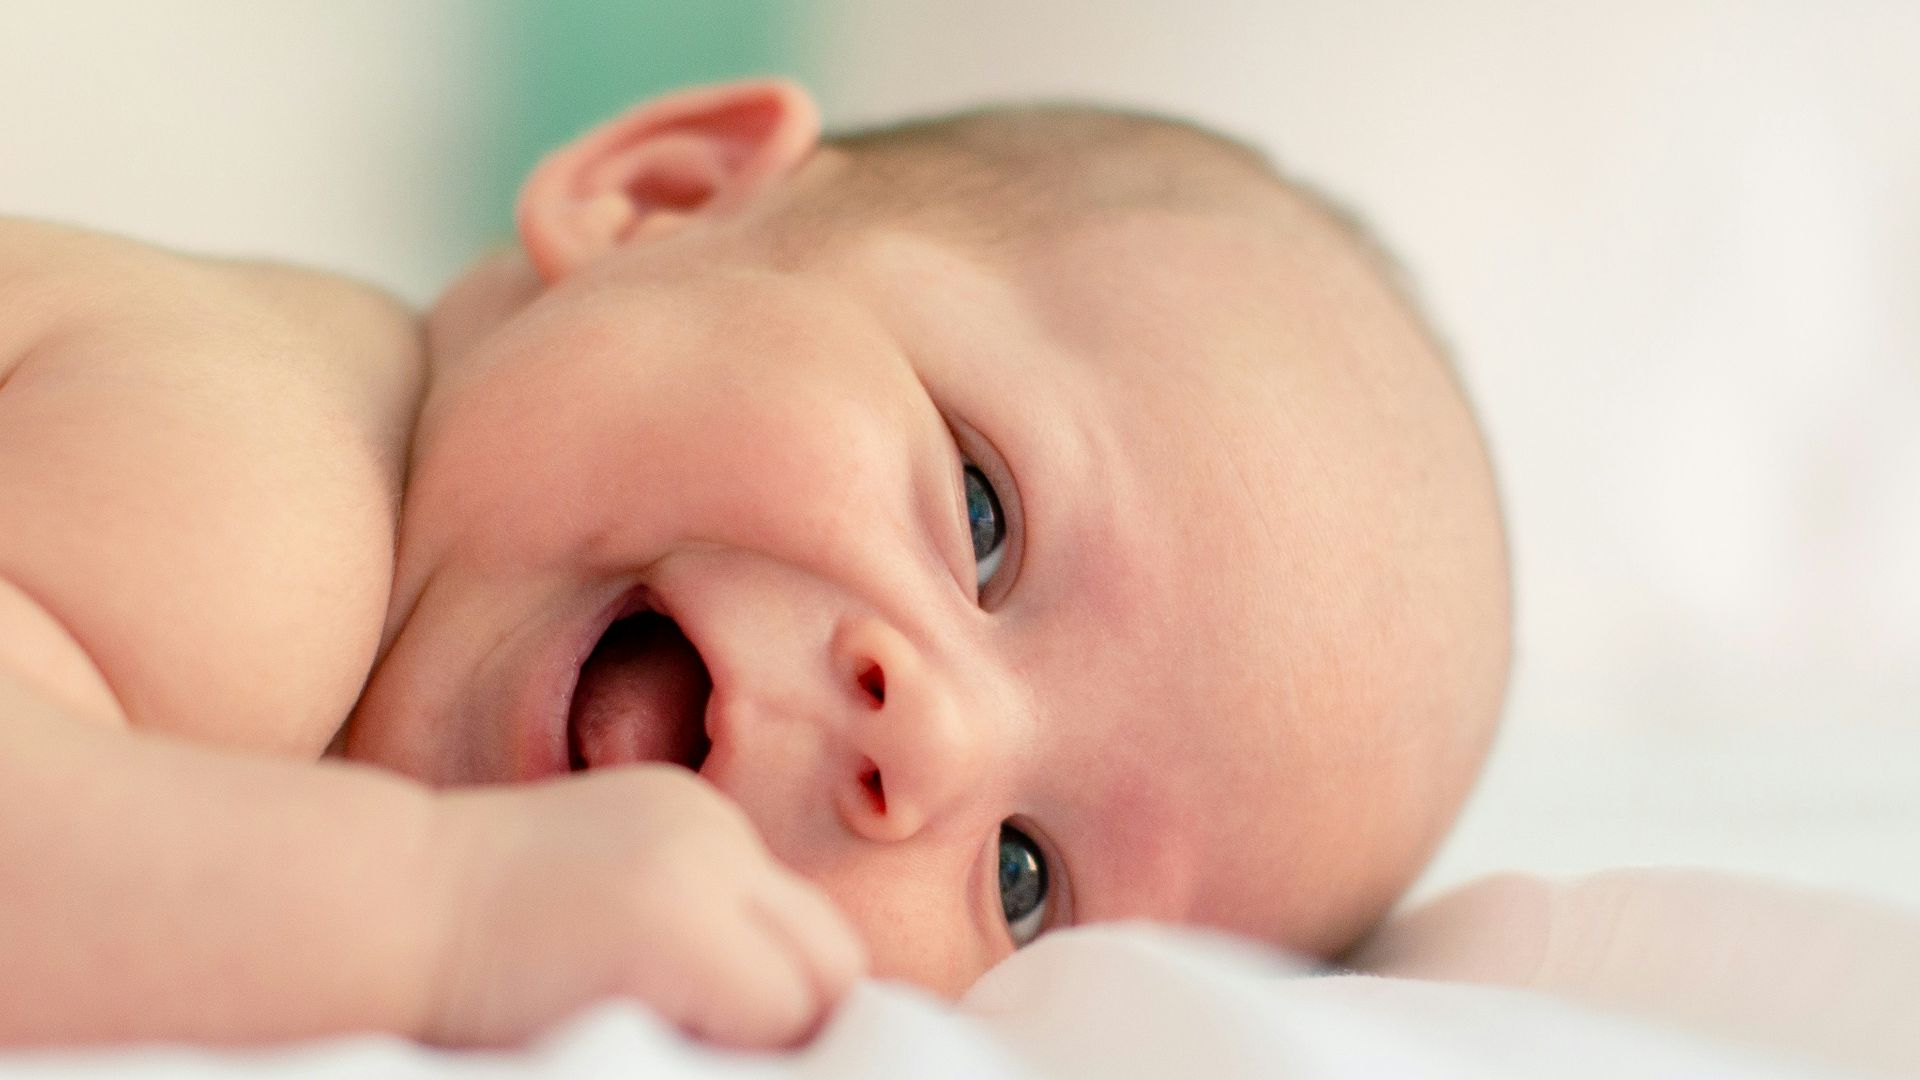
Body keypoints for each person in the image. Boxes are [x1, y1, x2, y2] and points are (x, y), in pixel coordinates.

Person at [0, 79, 1509, 1050]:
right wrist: (443, 919)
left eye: (1026, 879)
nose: (929, 743)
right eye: (983, 518)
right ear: (659, 197)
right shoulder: (260, 497)